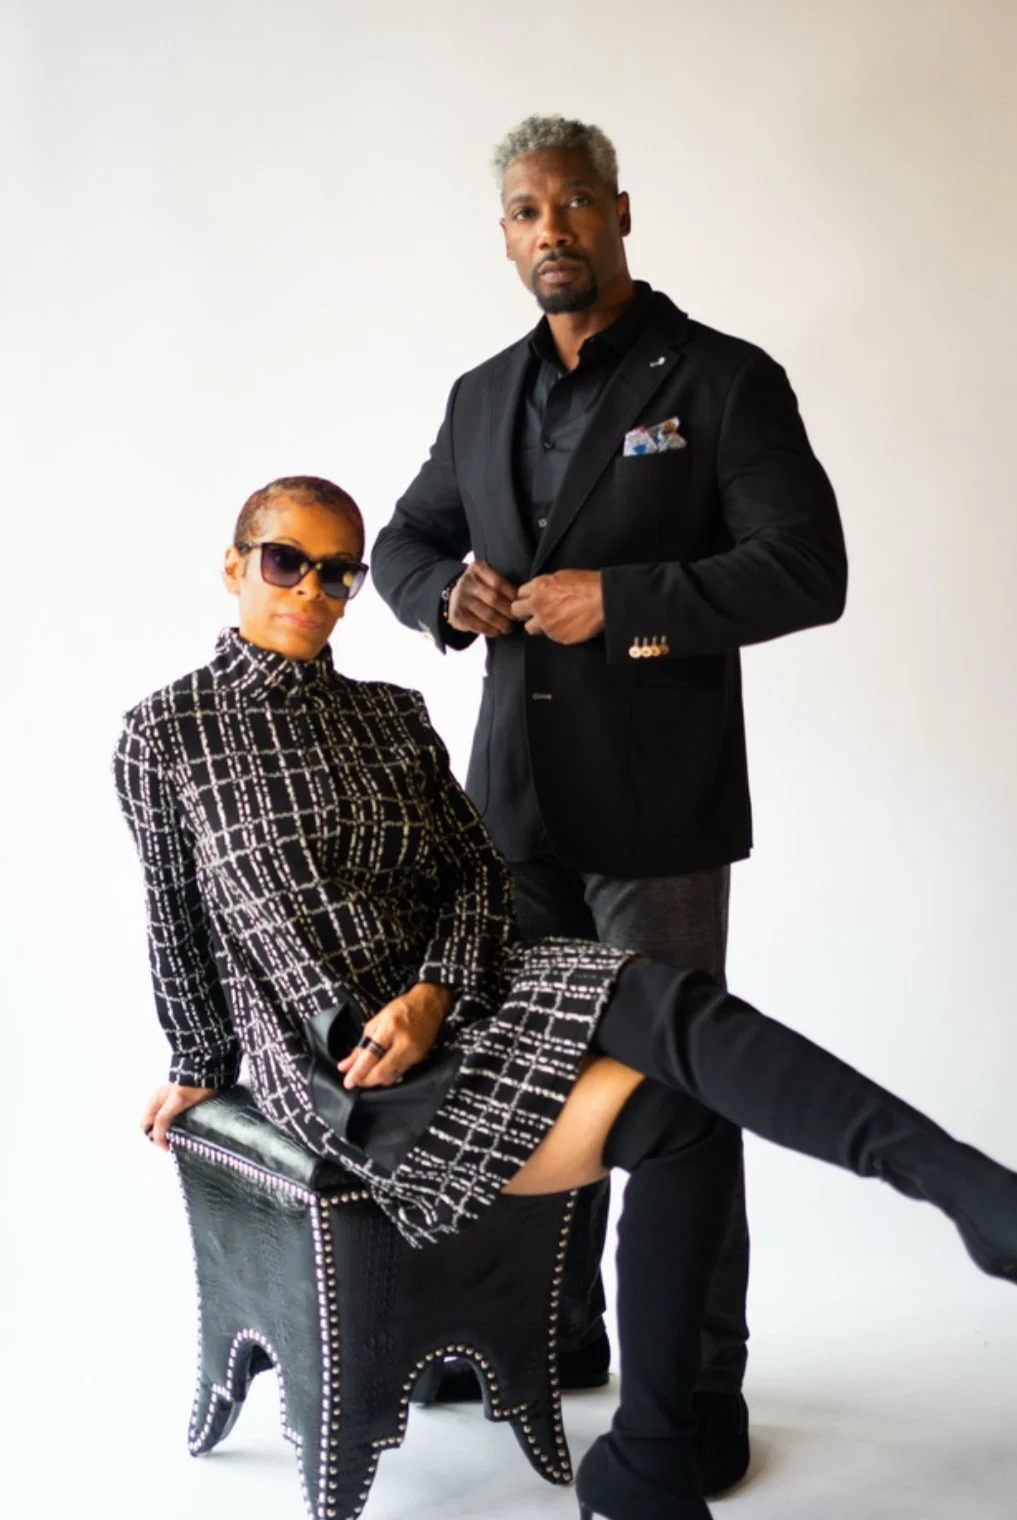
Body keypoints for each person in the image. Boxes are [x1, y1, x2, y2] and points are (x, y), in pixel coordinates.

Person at [115, 476, 1017, 1520]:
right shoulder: (164, 735)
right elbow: (176, 919)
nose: (312, 591)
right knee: (678, 1105)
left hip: (459, 998)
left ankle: (955, 1196)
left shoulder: (391, 717)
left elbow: (474, 877)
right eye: (286, 563)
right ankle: (662, 1455)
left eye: (338, 572)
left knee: (675, 1026)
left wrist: (434, 991)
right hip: (346, 1066)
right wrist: (197, 1066)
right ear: (235, 565)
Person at [370, 113, 848, 1485]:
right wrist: (445, 595)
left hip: (657, 816)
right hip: (511, 815)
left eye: (574, 203)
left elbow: (806, 568)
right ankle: (554, 1330)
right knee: (525, 1074)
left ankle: (694, 1391)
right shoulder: (480, 397)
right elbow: (403, 541)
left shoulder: (722, 377)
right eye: (527, 212)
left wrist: (627, 601)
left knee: (679, 1089)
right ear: (505, 235)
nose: (553, 230)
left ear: (620, 212)